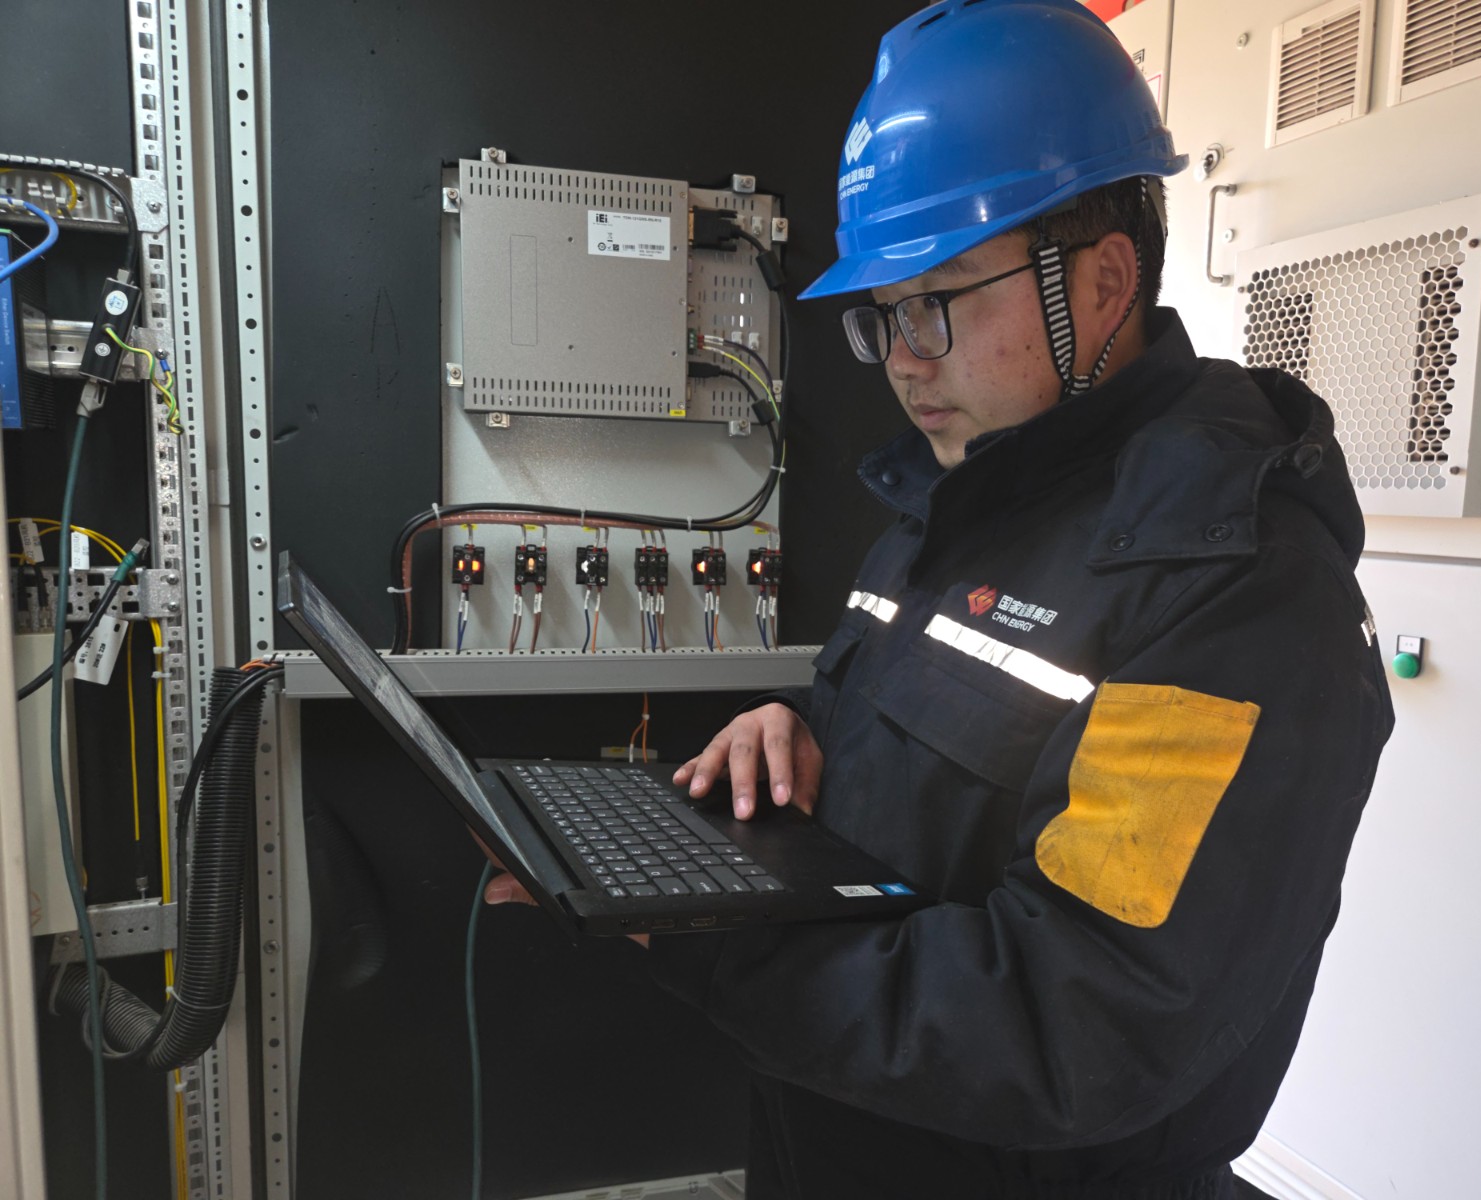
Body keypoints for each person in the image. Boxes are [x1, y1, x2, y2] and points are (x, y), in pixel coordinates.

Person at [487, 2, 1394, 1196]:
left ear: (1102, 280)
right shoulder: (963, 501)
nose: (904, 356)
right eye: (884, 314)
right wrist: (789, 725)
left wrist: (713, 943)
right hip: (835, 1138)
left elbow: (1078, 1020)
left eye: (940, 298)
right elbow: (888, 737)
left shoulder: (1229, 593)